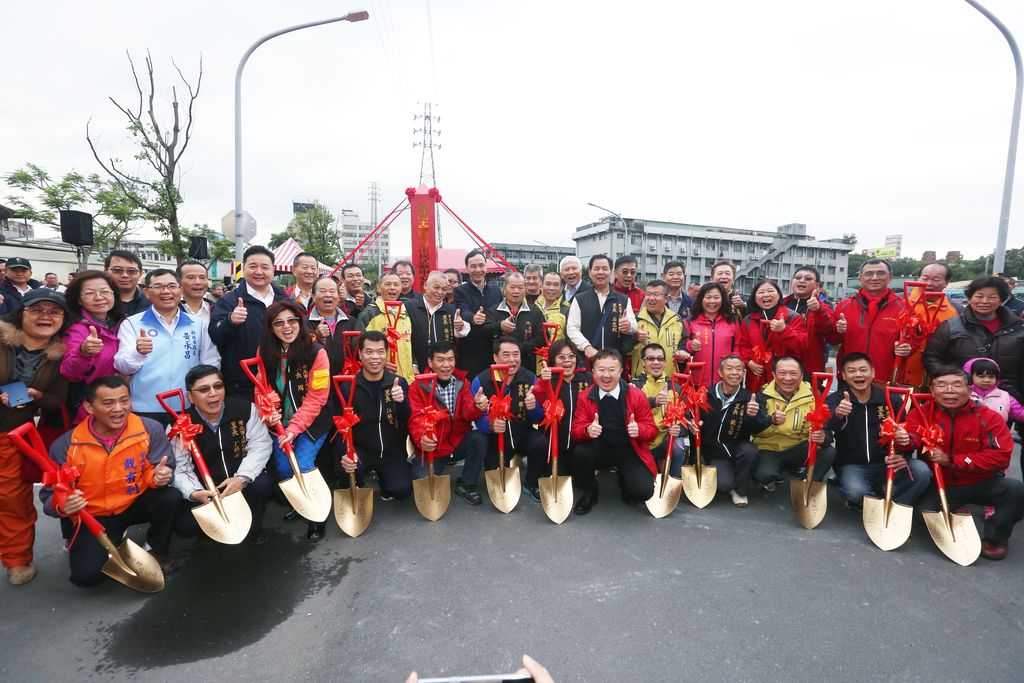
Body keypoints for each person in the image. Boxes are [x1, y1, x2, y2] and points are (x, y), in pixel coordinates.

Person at [44, 376, 179, 585]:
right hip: (95, 515)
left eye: (124, 400)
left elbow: (162, 466)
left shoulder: (149, 429)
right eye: (108, 403)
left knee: (170, 496)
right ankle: (97, 539)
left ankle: (155, 549)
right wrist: (64, 504)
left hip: (135, 502)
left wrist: (159, 476)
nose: (118, 409)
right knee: (86, 577)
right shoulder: (66, 445)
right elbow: (49, 496)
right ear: (89, 407)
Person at [899, 370, 1024, 560]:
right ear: (932, 390)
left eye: (957, 385)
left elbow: (1000, 457)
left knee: (1015, 489)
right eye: (941, 385)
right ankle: (955, 511)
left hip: (981, 483)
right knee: (923, 515)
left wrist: (952, 460)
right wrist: (904, 438)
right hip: (943, 484)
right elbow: (913, 437)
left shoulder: (989, 418)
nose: (950, 391)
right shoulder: (922, 412)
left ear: (969, 389)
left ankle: (996, 537)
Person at [0, 288, 70, 586]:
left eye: (54, 311)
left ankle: (17, 559)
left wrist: (39, 395)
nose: (46, 316)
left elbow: (58, 399)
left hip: (12, 434)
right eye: (37, 309)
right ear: (22, 312)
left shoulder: (59, 355)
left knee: (12, 500)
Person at [173, 365, 274, 545]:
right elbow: (180, 467)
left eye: (218, 386)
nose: (213, 393)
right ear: (190, 397)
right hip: (206, 490)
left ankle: (255, 526)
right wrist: (195, 492)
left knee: (263, 484)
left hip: (238, 482)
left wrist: (242, 478)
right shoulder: (180, 426)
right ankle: (210, 531)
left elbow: (261, 445)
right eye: (204, 389)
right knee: (184, 527)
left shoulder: (245, 410)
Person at [260, 300, 332, 541]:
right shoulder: (265, 352)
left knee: (302, 464)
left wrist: (294, 428)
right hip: (279, 424)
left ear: (300, 323)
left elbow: (316, 397)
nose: (287, 327)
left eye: (292, 321)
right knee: (282, 468)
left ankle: (317, 516)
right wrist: (266, 407)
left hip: (312, 422)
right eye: (279, 323)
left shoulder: (316, 352)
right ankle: (301, 504)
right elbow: (261, 387)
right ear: (271, 328)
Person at [824, 353, 931, 511]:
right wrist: (838, 414)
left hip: (887, 463)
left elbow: (905, 432)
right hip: (853, 465)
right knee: (855, 492)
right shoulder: (836, 399)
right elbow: (828, 428)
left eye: (863, 370)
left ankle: (895, 503)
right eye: (852, 371)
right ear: (844, 376)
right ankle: (874, 498)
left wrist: (903, 455)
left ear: (873, 372)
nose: (858, 375)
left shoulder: (891, 399)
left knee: (921, 471)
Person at [114, 269, 220, 426]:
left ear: (181, 290)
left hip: (189, 405)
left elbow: (211, 362)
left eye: (172, 286)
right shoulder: (132, 323)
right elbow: (122, 366)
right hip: (145, 407)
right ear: (146, 291)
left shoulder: (198, 324)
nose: (166, 291)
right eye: (158, 286)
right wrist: (138, 353)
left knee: (187, 450)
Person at [569, 348, 658, 514]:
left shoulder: (637, 395)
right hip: (600, 448)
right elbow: (575, 430)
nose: (606, 375)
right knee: (580, 453)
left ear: (621, 372)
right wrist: (587, 430)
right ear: (593, 373)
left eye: (612, 370)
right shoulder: (585, 396)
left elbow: (652, 431)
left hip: (629, 449)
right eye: (601, 370)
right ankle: (590, 490)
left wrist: (639, 429)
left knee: (643, 492)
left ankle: (625, 480)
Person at [407, 341, 488, 505]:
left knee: (479, 438)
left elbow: (467, 414)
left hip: (456, 443)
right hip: (432, 447)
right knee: (420, 479)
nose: (446, 365)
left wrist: (477, 406)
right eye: (440, 360)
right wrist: (423, 438)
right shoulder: (417, 386)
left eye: (450, 359)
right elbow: (415, 419)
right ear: (430, 362)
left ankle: (467, 484)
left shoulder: (462, 383)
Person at [336, 330, 412, 501]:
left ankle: (385, 481)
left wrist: (402, 402)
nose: (375, 357)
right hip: (362, 451)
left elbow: (407, 419)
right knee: (346, 469)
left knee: (402, 490)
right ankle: (359, 484)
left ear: (387, 354)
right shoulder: (348, 388)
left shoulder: (398, 383)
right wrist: (346, 453)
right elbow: (340, 428)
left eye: (380, 351)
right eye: (369, 352)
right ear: (360, 355)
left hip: (392, 451)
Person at [472, 336, 548, 502]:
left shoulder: (530, 379)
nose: (512, 360)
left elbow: (538, 418)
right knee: (494, 472)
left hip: (523, 434)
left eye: (516, 354)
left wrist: (533, 407)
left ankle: (531, 483)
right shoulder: (481, 381)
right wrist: (490, 425)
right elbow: (478, 419)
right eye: (506, 355)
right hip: (496, 440)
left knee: (542, 442)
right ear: (495, 357)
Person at [923, 276, 1024, 399]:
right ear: (970, 298)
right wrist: (956, 377)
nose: (985, 301)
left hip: (1010, 397)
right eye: (979, 296)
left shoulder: (1018, 328)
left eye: (992, 297)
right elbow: (931, 358)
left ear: (1001, 300)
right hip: (961, 397)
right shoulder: (950, 326)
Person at [210, 245, 289, 400]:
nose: (259, 272)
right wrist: (230, 321)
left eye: (265, 267)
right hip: (244, 385)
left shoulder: (285, 300)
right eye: (253, 266)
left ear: (273, 270)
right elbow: (216, 335)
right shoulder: (229, 301)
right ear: (243, 268)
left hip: (283, 381)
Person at [752, 356, 836, 491]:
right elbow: (754, 429)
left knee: (828, 452)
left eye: (793, 373)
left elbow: (826, 429)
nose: (787, 378)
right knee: (763, 475)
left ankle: (810, 484)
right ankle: (778, 471)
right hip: (770, 447)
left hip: (799, 446)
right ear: (774, 374)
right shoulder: (762, 394)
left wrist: (823, 437)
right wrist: (772, 421)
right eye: (782, 373)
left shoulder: (814, 394)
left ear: (802, 375)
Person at [60, 271, 125, 423]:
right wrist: (83, 352)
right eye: (89, 293)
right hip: (91, 409)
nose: (99, 297)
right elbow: (69, 372)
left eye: (105, 291)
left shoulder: (121, 324)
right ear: (78, 300)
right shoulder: (77, 329)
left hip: (118, 404)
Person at [831, 258, 908, 384]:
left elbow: (912, 340)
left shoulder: (904, 308)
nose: (875, 277)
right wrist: (837, 330)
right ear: (860, 279)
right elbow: (832, 339)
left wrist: (909, 347)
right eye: (869, 274)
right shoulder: (844, 306)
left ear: (890, 278)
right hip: (851, 377)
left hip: (886, 378)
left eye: (881, 273)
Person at [532, 339, 594, 477]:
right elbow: (538, 406)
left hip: (580, 443)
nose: (567, 361)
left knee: (580, 479)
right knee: (558, 476)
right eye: (561, 357)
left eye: (571, 356)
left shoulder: (588, 379)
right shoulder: (546, 380)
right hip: (554, 445)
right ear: (553, 360)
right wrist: (542, 382)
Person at [566, 255, 637, 364]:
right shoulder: (580, 299)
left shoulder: (623, 299)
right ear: (589, 273)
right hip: (589, 361)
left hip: (616, 361)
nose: (600, 272)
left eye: (604, 268)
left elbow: (633, 326)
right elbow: (572, 328)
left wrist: (628, 326)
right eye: (596, 269)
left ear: (612, 272)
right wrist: (586, 347)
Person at [898, 262, 960, 387]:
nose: (929, 284)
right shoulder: (899, 302)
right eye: (925, 278)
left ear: (947, 283)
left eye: (936, 279)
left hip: (934, 381)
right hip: (899, 377)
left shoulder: (956, 310)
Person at [738, 280, 807, 392]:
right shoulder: (748, 320)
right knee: (757, 407)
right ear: (754, 298)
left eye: (770, 291)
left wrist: (784, 331)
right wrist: (749, 362)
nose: (766, 295)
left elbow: (802, 345)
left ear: (779, 295)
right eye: (761, 292)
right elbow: (742, 346)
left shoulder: (792, 317)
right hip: (756, 377)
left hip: (784, 377)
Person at [631, 343, 686, 479]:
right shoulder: (633, 386)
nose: (656, 362)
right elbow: (630, 413)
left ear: (665, 362)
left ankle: (672, 483)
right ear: (643, 362)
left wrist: (678, 428)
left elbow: (686, 419)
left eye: (660, 359)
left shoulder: (676, 387)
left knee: (678, 445)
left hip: (663, 442)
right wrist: (653, 402)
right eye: (651, 359)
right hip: (641, 443)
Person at [405, 270, 468, 373]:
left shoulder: (451, 309)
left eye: (444, 289)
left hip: (443, 368)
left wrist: (460, 326)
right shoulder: (409, 307)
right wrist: (413, 362)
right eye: (436, 287)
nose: (439, 292)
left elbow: (460, 332)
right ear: (426, 285)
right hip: (416, 367)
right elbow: (404, 340)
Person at [453, 249, 503, 378]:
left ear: (486, 266)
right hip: (471, 350)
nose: (478, 269)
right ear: (467, 269)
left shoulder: (496, 290)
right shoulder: (460, 291)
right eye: (473, 266)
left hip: (494, 349)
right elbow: (462, 310)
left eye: (481, 265)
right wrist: (473, 318)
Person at [359, 272, 416, 383]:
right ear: (379, 287)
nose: (392, 288)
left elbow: (412, 344)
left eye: (396, 284)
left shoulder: (405, 313)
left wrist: (414, 364)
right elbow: (358, 347)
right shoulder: (370, 313)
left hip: (407, 379)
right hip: (380, 378)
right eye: (388, 284)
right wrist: (381, 363)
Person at [782, 266, 837, 375]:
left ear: (817, 285)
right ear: (792, 282)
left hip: (809, 368)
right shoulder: (781, 305)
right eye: (798, 277)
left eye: (808, 279)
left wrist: (818, 310)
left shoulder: (823, 307)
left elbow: (832, 334)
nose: (802, 281)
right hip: (780, 366)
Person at [685, 283, 740, 387]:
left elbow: (737, 347)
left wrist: (732, 361)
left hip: (725, 382)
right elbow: (682, 348)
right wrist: (690, 345)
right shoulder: (689, 322)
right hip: (696, 383)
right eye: (708, 297)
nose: (712, 301)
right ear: (701, 299)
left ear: (722, 299)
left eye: (716, 297)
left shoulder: (732, 321)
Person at [630, 279, 688, 378]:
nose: (651, 298)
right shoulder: (636, 319)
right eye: (648, 294)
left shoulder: (676, 320)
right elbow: (625, 349)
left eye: (656, 294)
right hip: (642, 381)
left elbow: (684, 343)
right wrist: (635, 339)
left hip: (670, 380)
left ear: (666, 298)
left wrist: (683, 352)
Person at [482, 272, 546, 361]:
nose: (516, 291)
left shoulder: (535, 311)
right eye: (512, 287)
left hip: (526, 363)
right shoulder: (493, 311)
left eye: (520, 288)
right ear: (504, 289)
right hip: (499, 362)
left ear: (525, 290)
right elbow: (484, 332)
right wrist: (499, 326)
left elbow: (542, 338)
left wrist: (519, 348)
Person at [308, 276, 356, 376]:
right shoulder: (304, 323)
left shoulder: (351, 322)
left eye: (332, 291)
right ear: (313, 296)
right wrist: (316, 337)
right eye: (322, 291)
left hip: (346, 381)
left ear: (338, 296)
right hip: (318, 380)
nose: (328, 295)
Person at [105, 250, 149, 317]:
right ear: (105, 272)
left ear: (140, 274)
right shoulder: (97, 303)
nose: (125, 275)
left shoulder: (153, 304)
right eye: (117, 270)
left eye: (131, 271)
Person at [177, 259, 213, 324]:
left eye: (202, 277)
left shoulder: (216, 309)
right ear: (179, 281)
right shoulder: (168, 309)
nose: (198, 282)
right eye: (191, 277)